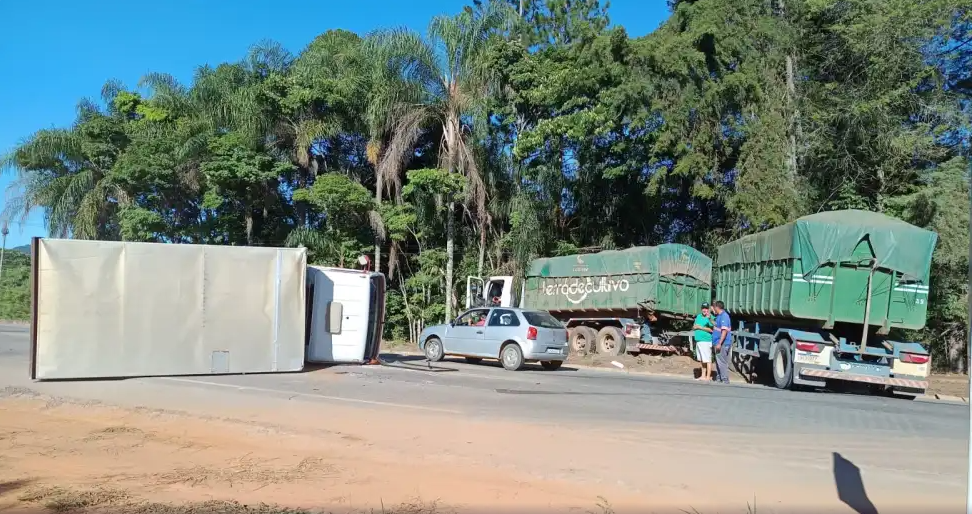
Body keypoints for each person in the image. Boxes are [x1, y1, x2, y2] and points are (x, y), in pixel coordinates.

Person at [692, 303, 715, 381]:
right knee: (702, 359)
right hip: (698, 340)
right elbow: (694, 326)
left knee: (707, 359)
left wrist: (700, 327)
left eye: (706, 308)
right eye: (703, 308)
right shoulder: (698, 316)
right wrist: (695, 327)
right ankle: (703, 375)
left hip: (706, 341)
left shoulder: (710, 317)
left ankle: (708, 377)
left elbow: (712, 329)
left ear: (708, 309)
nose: (704, 310)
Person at [711, 300, 732, 384]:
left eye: (714, 307)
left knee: (722, 361)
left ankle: (725, 379)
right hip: (718, 343)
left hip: (722, 343)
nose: (713, 308)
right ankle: (719, 378)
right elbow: (717, 326)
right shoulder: (719, 316)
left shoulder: (724, 316)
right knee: (718, 361)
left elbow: (724, 331)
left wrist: (719, 343)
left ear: (717, 307)